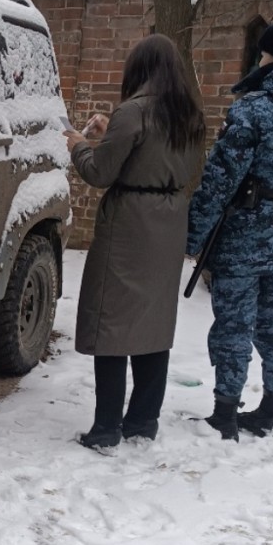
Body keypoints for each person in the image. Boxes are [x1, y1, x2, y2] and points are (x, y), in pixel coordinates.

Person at [64, 34, 205, 450]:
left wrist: (80, 146)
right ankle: (143, 420)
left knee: (112, 320)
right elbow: (152, 152)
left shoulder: (133, 111)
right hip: (169, 221)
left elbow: (100, 172)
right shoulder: (189, 115)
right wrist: (111, 132)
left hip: (129, 225)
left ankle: (106, 427)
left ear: (138, 68)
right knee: (153, 323)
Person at [187, 19, 273, 441]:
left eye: (264, 54)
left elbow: (219, 181)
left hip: (244, 237)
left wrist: (192, 236)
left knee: (234, 324)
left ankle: (225, 413)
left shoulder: (254, 109)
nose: (259, 60)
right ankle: (270, 410)